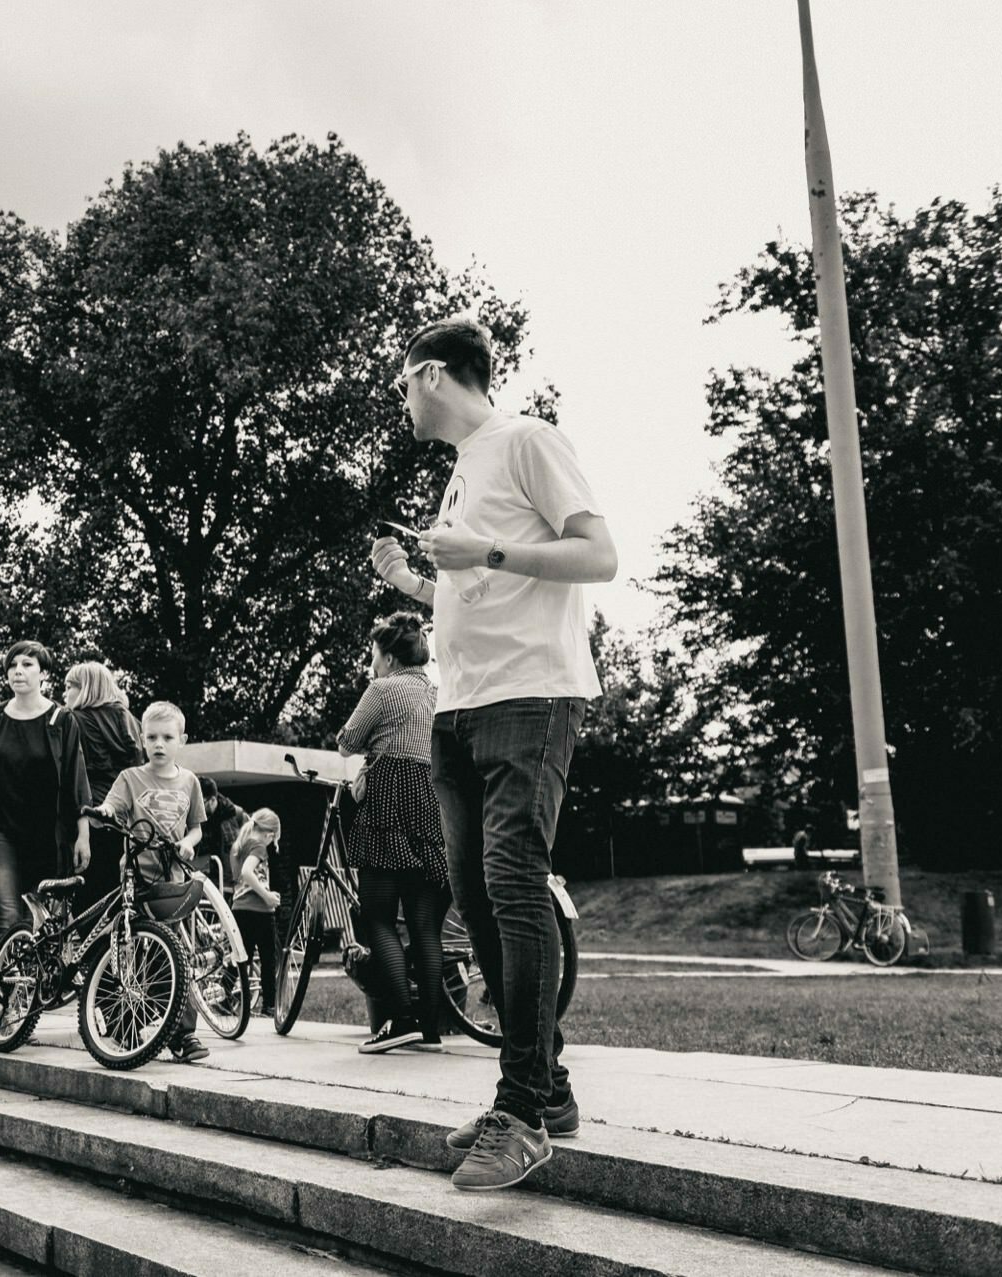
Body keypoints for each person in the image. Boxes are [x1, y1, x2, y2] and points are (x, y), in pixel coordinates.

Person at [372, 315, 616, 1191]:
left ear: (434, 374)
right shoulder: (461, 473)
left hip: (532, 695)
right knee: (473, 896)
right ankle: (546, 1090)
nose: (402, 401)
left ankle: (519, 1109)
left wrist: (487, 547)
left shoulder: (527, 440)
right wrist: (414, 582)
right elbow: (476, 588)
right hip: (461, 707)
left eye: (404, 384)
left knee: (514, 884)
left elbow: (600, 553)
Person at [337, 611, 449, 1055]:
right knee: (425, 926)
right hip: (431, 803)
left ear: (386, 655)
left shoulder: (382, 689)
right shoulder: (438, 691)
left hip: (388, 799)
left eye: (374, 655)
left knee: (378, 918)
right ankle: (431, 1031)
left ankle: (399, 1019)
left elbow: (347, 741)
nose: (372, 663)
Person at [0, 641, 91, 962]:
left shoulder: (62, 721)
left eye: (27, 664)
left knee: (36, 918)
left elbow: (75, 782)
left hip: (44, 835)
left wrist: (83, 835)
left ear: (43, 673)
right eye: (13, 665)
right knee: (8, 916)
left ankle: (26, 991)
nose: (18, 671)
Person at [98, 701, 209, 1061]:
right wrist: (105, 812)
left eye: (167, 737)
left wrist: (189, 845)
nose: (159, 744)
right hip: (135, 876)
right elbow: (112, 808)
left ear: (183, 740)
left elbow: (196, 829)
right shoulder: (130, 778)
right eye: (151, 737)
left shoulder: (190, 781)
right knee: (129, 951)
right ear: (142, 740)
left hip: (172, 878)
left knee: (178, 952)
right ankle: (121, 1022)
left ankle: (183, 1034)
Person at [63, 659, 144, 906]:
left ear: (86, 688)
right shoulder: (129, 719)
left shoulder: (73, 720)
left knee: (88, 899)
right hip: (127, 818)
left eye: (68, 686)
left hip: (91, 818)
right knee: (119, 898)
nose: (64, 693)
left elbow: (71, 778)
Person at [229, 809, 283, 1016]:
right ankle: (269, 1006)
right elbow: (247, 873)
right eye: (274, 839)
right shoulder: (259, 846)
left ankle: (225, 996)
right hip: (260, 910)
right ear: (270, 834)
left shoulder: (239, 845)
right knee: (269, 960)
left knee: (242, 957)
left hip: (240, 909)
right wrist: (267, 896)